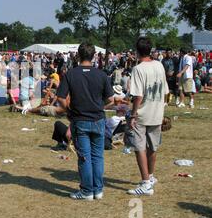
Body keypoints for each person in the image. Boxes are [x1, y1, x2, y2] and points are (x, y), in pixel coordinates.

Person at [57, 43, 114, 201]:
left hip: (80, 119)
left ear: (78, 56)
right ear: (94, 55)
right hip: (97, 119)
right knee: (97, 156)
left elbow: (61, 98)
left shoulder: (71, 74)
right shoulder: (101, 74)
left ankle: (87, 191)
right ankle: (98, 189)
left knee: (84, 157)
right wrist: (98, 106)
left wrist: (68, 110)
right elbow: (111, 100)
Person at [126, 37, 169, 196]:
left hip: (143, 114)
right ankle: (150, 176)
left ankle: (145, 183)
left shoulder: (138, 69)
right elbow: (165, 91)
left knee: (139, 148)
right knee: (153, 147)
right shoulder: (159, 65)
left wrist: (133, 115)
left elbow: (137, 96)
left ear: (137, 51)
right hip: (157, 112)